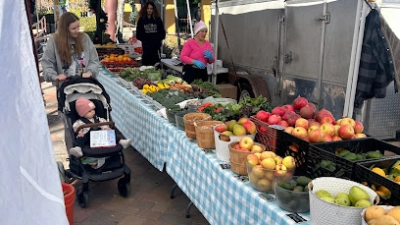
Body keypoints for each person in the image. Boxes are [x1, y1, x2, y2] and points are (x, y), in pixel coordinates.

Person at [41, 12, 100, 85]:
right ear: (65, 29)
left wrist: (90, 72)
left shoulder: (84, 38)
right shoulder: (54, 40)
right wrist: (55, 76)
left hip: (86, 85)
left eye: (78, 27)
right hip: (65, 87)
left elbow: (94, 60)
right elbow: (47, 63)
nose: (77, 30)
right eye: (73, 28)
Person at [136, 1, 166, 66]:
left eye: (151, 8)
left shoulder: (158, 20)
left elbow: (162, 34)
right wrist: (146, 39)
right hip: (146, 49)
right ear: (145, 9)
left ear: (153, 9)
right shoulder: (141, 20)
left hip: (155, 49)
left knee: (156, 67)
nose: (149, 10)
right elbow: (138, 34)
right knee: (145, 67)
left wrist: (155, 40)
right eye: (148, 8)